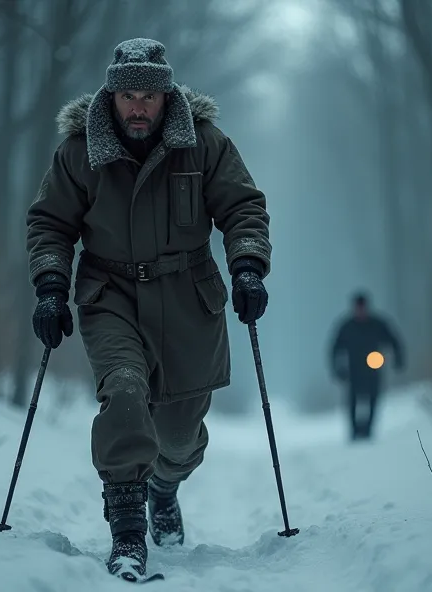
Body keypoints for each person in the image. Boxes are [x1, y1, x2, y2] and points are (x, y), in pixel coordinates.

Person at [25, 38, 272, 582]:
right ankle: (128, 536)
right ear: (112, 95)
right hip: (109, 295)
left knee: (179, 437)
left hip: (189, 298)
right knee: (126, 393)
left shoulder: (204, 144)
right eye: (127, 95)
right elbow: (51, 224)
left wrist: (248, 266)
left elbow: (243, 207)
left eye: (149, 96)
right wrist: (49, 286)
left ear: (167, 97)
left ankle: (164, 488)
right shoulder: (77, 152)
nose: (138, 108)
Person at [329, 292, 404, 441]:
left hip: (373, 368)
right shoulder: (347, 326)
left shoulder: (377, 324)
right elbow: (334, 349)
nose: (361, 311)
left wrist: (398, 359)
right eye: (358, 308)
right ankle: (354, 431)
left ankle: (369, 429)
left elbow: (394, 340)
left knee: (374, 398)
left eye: (363, 307)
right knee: (353, 401)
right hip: (354, 371)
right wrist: (337, 369)